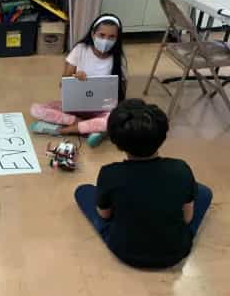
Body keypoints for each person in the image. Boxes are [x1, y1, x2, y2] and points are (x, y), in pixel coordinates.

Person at [74, 99, 213, 268]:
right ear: (162, 136)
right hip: (176, 251)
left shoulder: (110, 173)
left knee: (83, 191)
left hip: (124, 250)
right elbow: (187, 218)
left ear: (117, 143)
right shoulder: (181, 169)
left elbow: (105, 215)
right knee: (204, 192)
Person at [30, 13, 127, 146]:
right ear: (93, 34)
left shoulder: (117, 59)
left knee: (114, 119)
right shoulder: (80, 50)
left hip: (101, 109)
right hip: (75, 106)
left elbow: (119, 94)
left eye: (111, 37)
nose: (105, 40)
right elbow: (63, 84)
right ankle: (90, 129)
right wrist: (75, 78)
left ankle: (64, 130)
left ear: (117, 39)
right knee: (36, 109)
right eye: (102, 35)